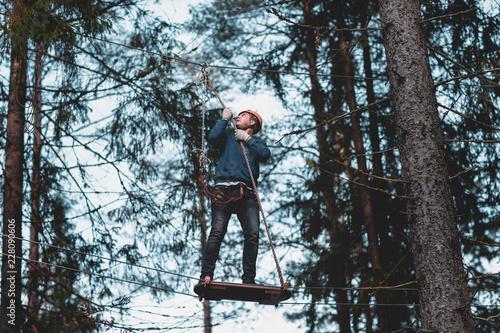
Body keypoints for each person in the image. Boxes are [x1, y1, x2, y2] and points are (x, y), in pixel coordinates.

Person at [199, 108, 271, 285]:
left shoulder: (256, 144)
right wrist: (224, 119)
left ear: (252, 122)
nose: (238, 116)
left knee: (252, 234)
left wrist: (247, 139)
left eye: (243, 115)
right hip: (223, 190)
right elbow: (213, 137)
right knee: (217, 232)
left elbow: (265, 154)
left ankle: (248, 279)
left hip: (246, 193)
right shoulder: (228, 138)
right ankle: (206, 276)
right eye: (238, 115)